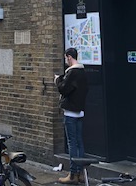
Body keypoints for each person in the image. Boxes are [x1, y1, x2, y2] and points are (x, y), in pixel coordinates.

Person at [54, 48, 88, 184]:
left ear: (69, 57)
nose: (66, 61)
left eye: (65, 58)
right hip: (80, 111)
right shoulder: (82, 72)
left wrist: (57, 80)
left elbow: (64, 89)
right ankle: (81, 173)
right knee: (79, 142)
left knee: (72, 143)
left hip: (70, 113)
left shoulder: (73, 72)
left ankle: (73, 174)